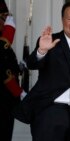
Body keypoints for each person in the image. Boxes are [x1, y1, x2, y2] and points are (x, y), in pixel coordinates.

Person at [14, 1, 70, 141]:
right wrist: (41, 50)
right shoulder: (50, 41)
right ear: (62, 20)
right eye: (69, 19)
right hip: (49, 113)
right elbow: (31, 64)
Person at [0, 0, 26, 140]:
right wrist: (7, 37)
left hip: (7, 102)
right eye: (5, 16)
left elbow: (7, 64)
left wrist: (19, 67)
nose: (8, 20)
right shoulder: (3, 41)